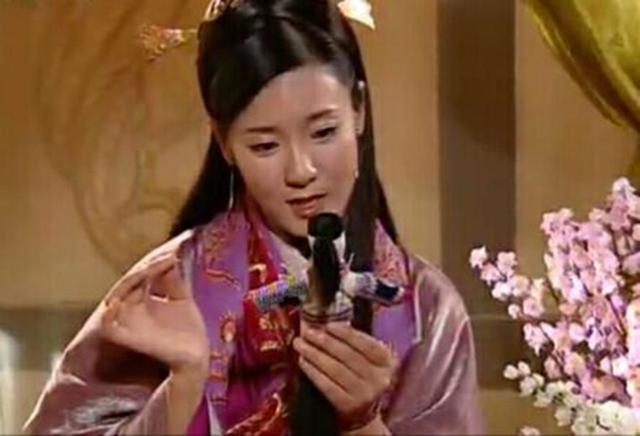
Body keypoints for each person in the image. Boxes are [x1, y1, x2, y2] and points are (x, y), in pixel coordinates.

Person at [23, 0, 484, 434]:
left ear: (359, 111)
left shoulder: (427, 310)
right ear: (224, 143)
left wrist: (363, 423)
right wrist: (182, 387)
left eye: (324, 131)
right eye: (265, 145)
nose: (301, 171)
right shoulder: (169, 288)